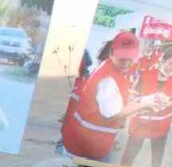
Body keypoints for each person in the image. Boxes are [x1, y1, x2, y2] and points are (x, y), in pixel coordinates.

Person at [61, 31, 158, 160]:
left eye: (130, 58)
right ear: (112, 53)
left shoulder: (110, 67)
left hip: (87, 141)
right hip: (88, 146)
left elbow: (111, 96)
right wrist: (144, 104)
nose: (127, 63)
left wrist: (132, 98)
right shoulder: (107, 79)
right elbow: (113, 114)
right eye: (122, 58)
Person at [121, 47, 172, 167]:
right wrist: (142, 101)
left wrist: (168, 103)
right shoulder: (145, 74)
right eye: (171, 63)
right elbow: (132, 93)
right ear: (162, 61)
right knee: (127, 159)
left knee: (156, 161)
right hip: (140, 124)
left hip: (161, 126)